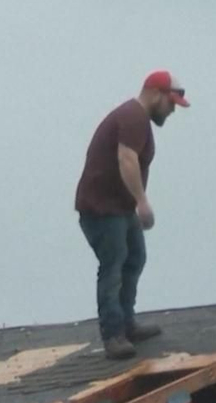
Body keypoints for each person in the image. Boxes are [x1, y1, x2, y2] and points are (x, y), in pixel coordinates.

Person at [74, 70, 189, 360]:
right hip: (102, 210)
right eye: (170, 103)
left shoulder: (137, 120)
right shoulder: (133, 117)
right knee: (113, 265)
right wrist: (142, 201)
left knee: (135, 257)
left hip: (119, 209)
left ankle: (127, 322)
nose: (172, 110)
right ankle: (113, 334)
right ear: (154, 94)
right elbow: (126, 157)